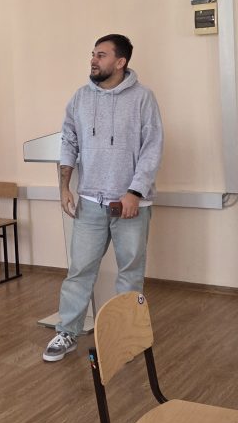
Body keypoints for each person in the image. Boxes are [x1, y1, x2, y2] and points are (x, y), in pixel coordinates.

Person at [43, 33, 163, 362]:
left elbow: (152, 148)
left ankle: (126, 335)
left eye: (102, 55)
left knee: (130, 273)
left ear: (120, 62)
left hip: (131, 204)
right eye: (93, 54)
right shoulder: (80, 98)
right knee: (79, 270)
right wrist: (64, 186)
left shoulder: (143, 98)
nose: (93, 60)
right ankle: (67, 332)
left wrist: (134, 192)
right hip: (90, 202)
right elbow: (68, 141)